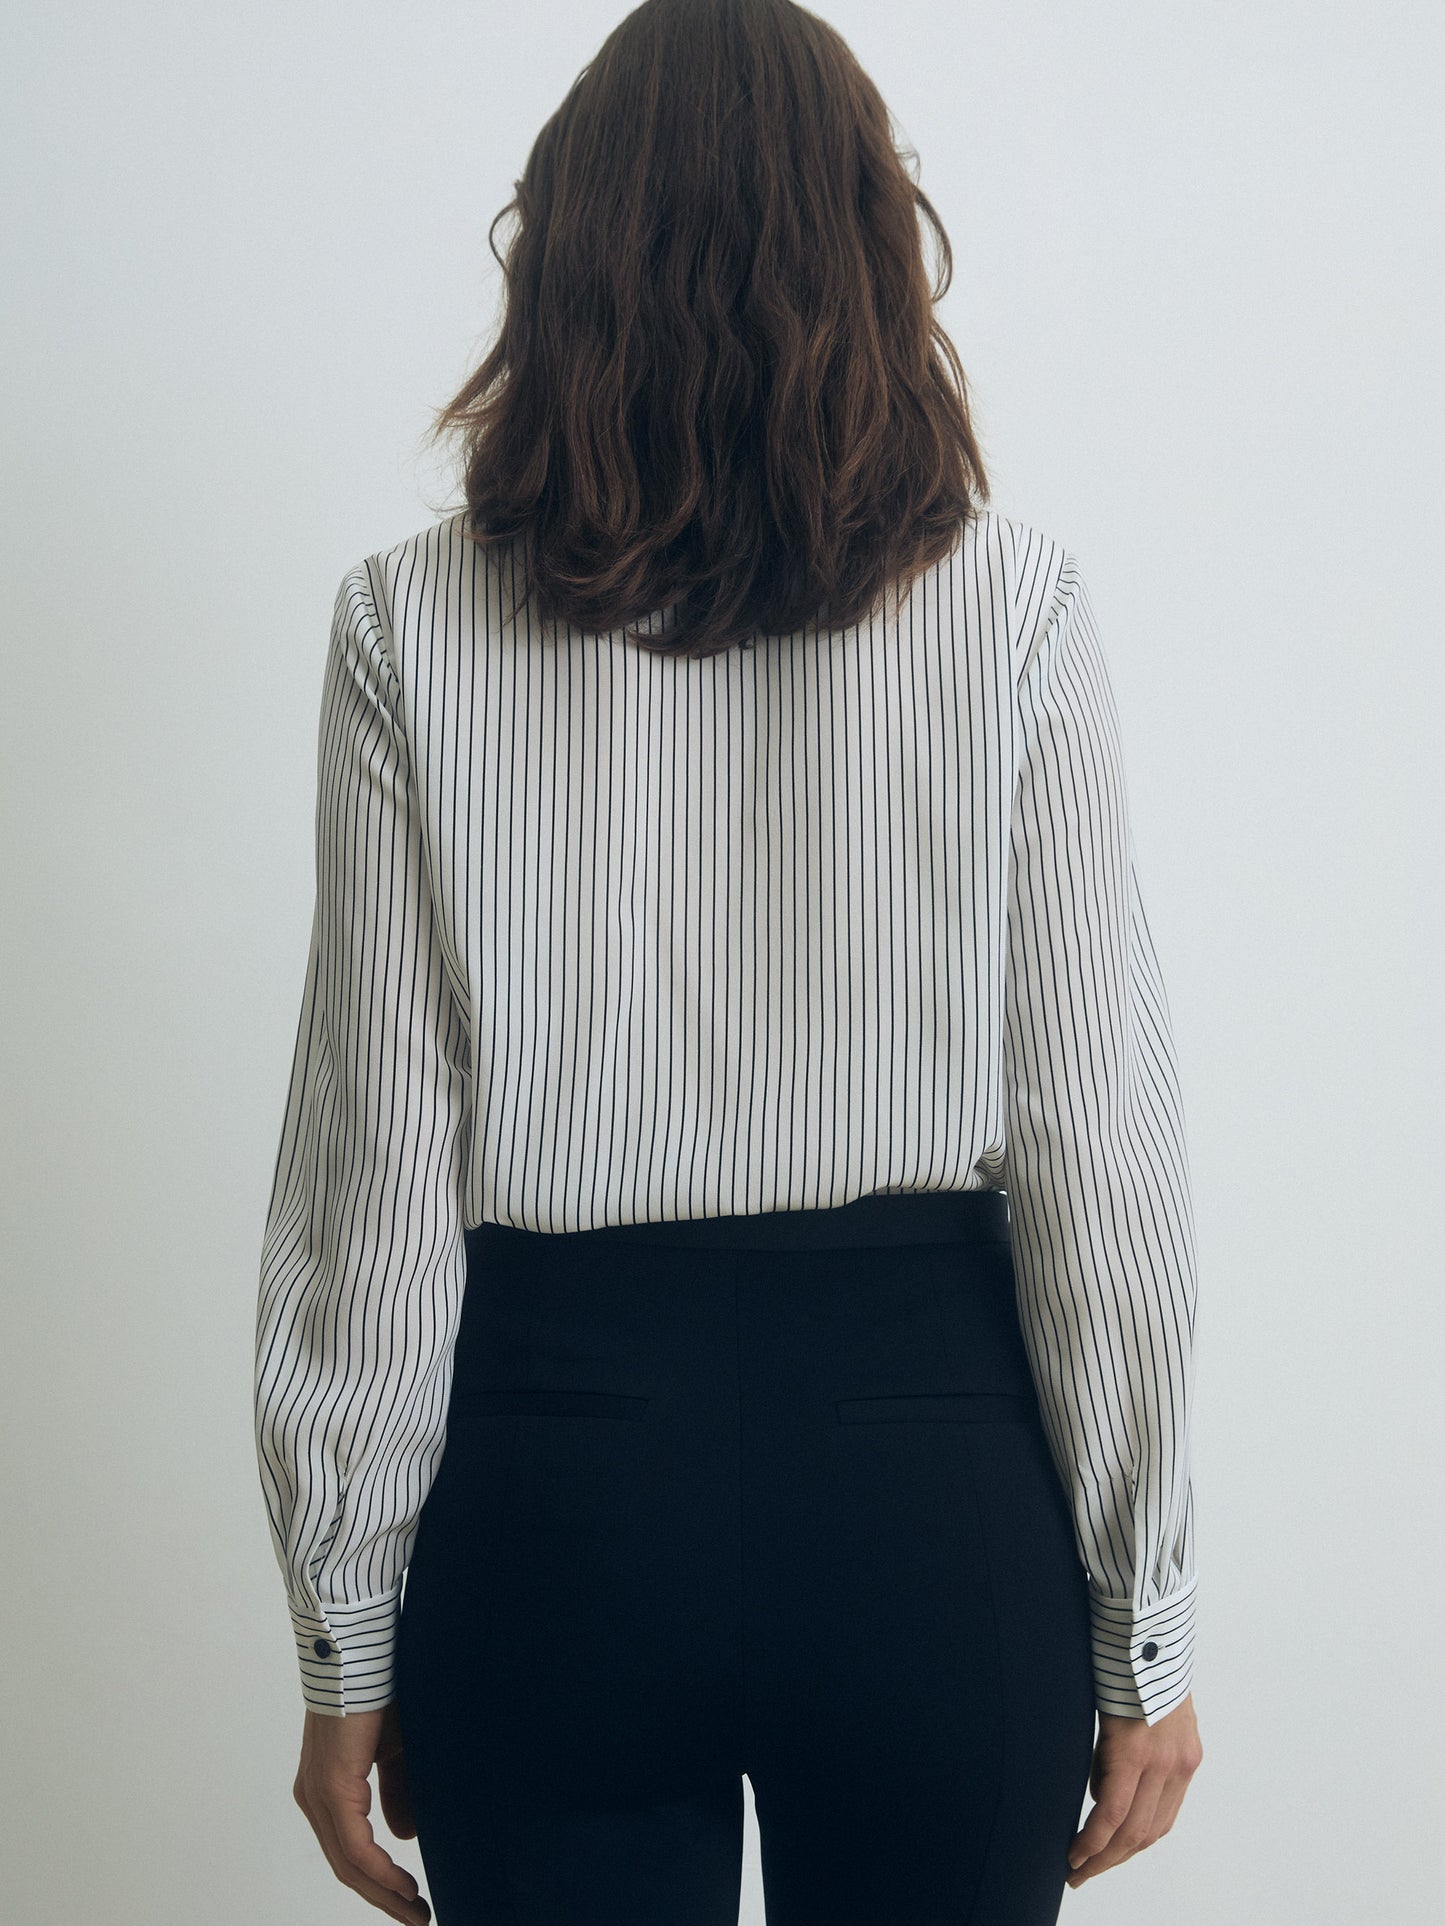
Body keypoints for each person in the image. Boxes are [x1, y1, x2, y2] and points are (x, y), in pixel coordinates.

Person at [253, 1, 1204, 1920]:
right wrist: (1148, 1611)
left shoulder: (405, 629)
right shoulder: (1012, 613)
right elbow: (1100, 1144)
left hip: (556, 1490)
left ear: (565, 261)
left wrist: (347, 1638)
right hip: (930, 1486)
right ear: (872, 252)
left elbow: (373, 1182)